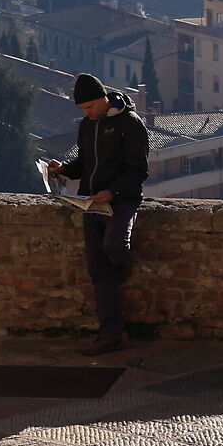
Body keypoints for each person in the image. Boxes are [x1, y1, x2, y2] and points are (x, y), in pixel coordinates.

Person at [44, 72, 149, 355]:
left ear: (104, 99)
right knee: (98, 270)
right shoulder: (86, 126)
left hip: (121, 201)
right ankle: (109, 333)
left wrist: (113, 193)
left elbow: (138, 170)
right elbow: (85, 163)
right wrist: (63, 169)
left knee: (114, 246)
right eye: (82, 110)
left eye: (90, 107)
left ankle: (121, 270)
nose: (87, 114)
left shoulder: (130, 124)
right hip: (91, 202)